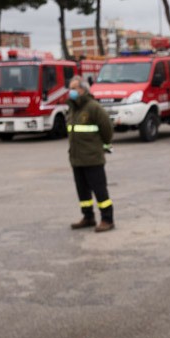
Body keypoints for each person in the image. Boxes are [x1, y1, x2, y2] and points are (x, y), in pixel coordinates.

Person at [66, 75, 115, 232]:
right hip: (76, 158)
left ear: (82, 89)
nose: (71, 92)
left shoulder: (93, 107)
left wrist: (104, 145)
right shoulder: (73, 108)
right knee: (82, 192)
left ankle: (107, 219)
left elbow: (107, 128)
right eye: (70, 89)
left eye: (74, 88)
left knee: (100, 190)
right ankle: (88, 217)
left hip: (92, 158)